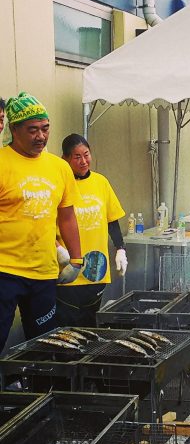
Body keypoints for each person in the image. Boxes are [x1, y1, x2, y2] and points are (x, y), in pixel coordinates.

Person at [0, 92, 82, 355]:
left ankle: (39, 381)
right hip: (4, 270)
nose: (41, 136)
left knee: (44, 344)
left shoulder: (59, 168)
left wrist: (76, 259)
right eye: (32, 130)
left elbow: (66, 216)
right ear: (14, 129)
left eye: (45, 128)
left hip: (44, 272)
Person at [54, 134, 128, 327]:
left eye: (86, 154)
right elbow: (45, 224)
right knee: (67, 324)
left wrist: (120, 249)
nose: (83, 161)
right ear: (65, 159)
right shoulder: (59, 184)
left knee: (89, 321)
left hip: (96, 267)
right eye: (77, 157)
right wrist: (58, 249)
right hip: (68, 268)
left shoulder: (101, 182)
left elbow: (112, 219)